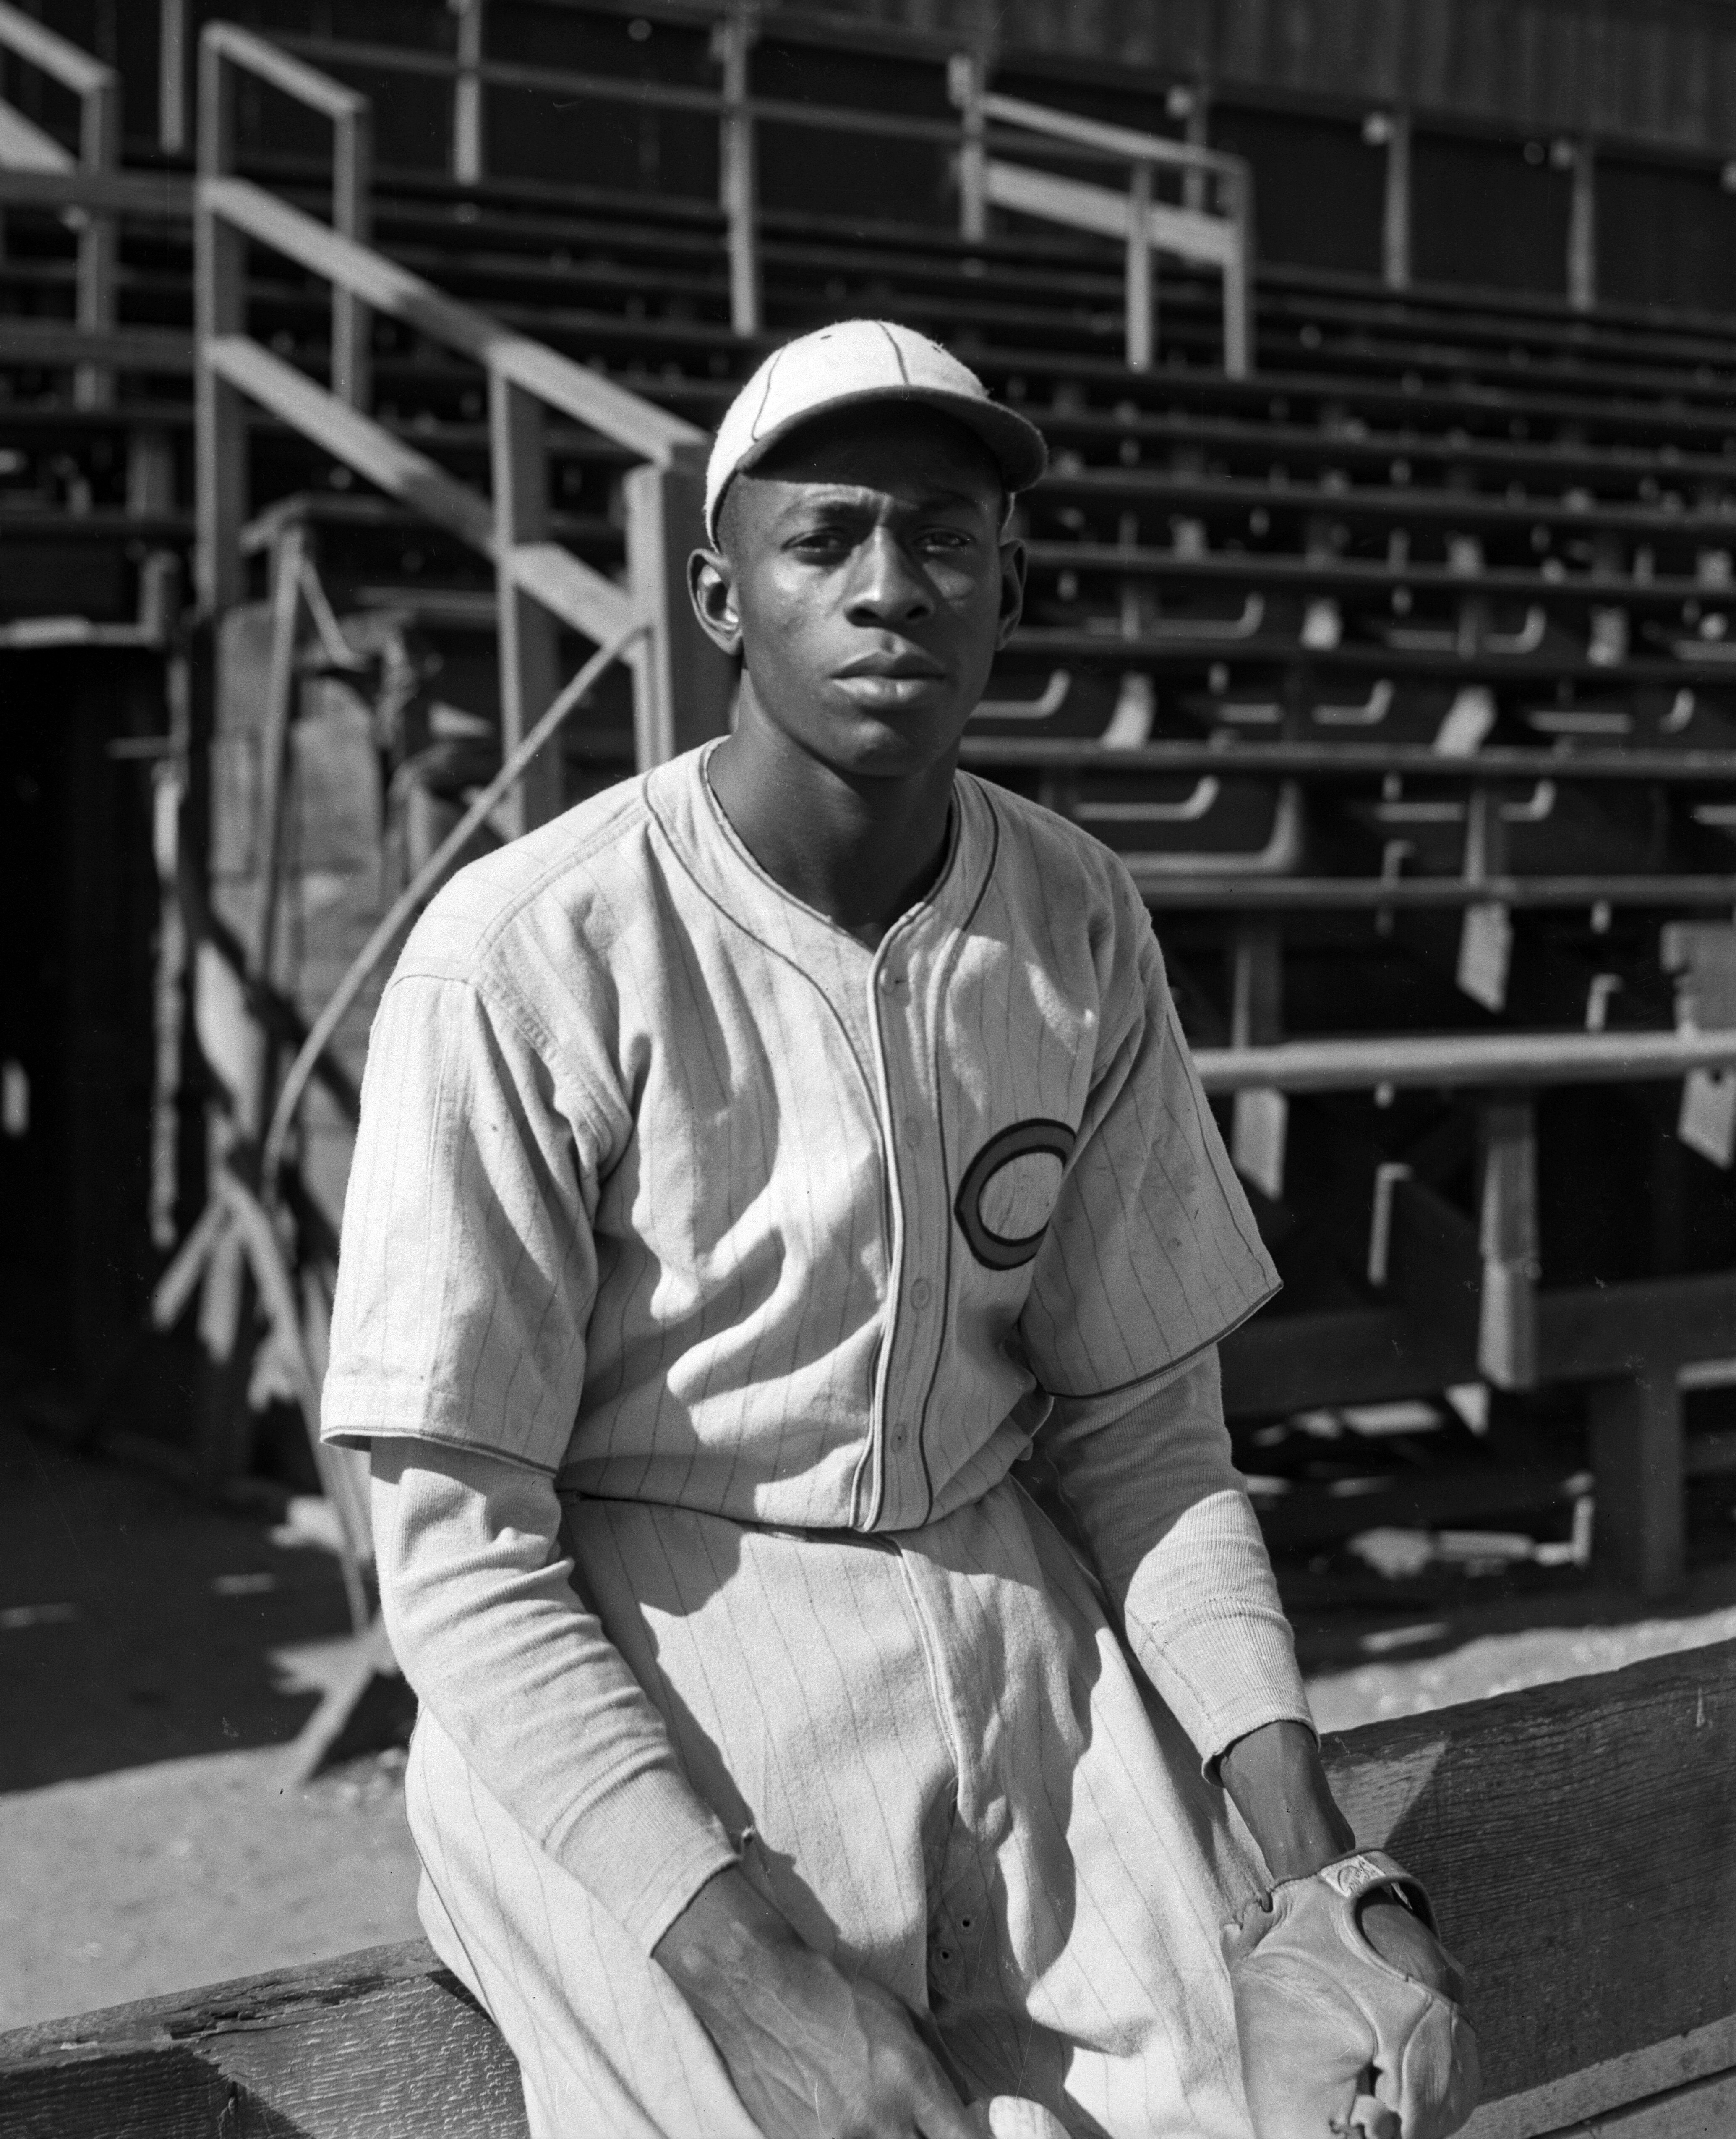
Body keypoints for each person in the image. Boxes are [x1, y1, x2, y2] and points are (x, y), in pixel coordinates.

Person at [323, 319, 1478, 2139]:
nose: (889, 587)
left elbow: (1146, 1440)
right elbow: (459, 1559)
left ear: (1006, 587)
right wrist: (754, 1984)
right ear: (721, 596)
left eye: (942, 537)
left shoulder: (1074, 913)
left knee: (1292, 2100)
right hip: (643, 1648)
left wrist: (1323, 1871)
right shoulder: (524, 952)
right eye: (825, 538)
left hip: (1011, 1617)